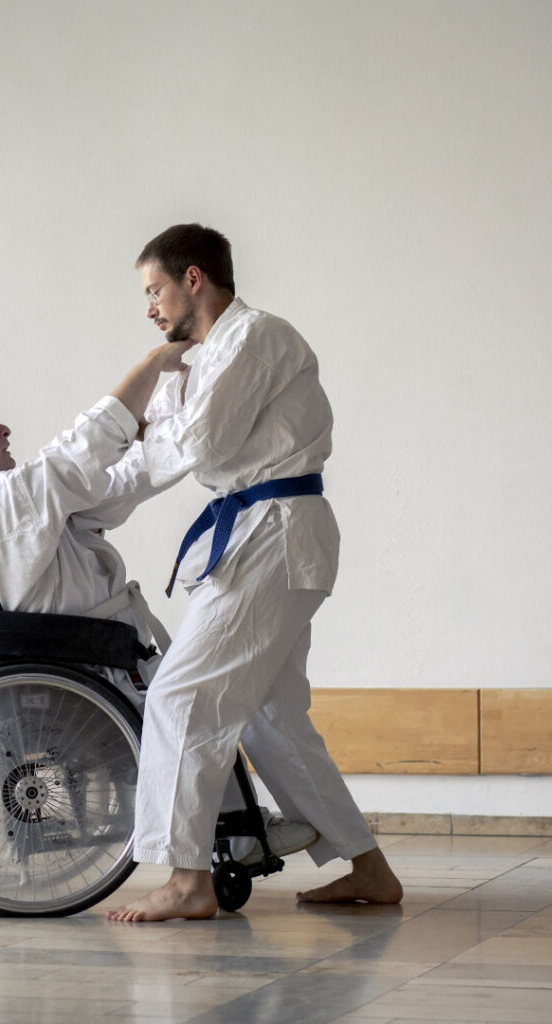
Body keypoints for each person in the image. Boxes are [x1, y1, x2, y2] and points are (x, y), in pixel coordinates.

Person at [106, 224, 403, 923]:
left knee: (179, 698)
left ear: (194, 278)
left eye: (155, 290)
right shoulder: (206, 358)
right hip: (261, 532)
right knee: (272, 718)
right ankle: (370, 867)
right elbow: (174, 452)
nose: (150, 306)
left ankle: (187, 882)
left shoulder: (258, 338)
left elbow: (200, 446)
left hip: (275, 532)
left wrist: (158, 395)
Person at [0, 341, 193, 687]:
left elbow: (117, 482)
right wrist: (155, 360)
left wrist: (181, 403)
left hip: (107, 668)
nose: (3, 429)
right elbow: (75, 454)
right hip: (97, 680)